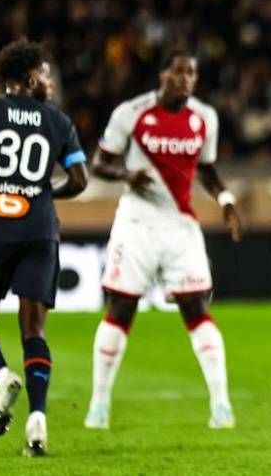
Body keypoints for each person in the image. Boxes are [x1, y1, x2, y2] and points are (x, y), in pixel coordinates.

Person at [83, 50, 242, 430]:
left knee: (196, 307)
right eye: (180, 71)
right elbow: (99, 163)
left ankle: (221, 405)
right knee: (121, 308)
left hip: (180, 226)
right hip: (136, 224)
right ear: (164, 75)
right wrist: (126, 175)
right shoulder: (131, 113)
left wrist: (226, 200)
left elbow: (206, 169)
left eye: (192, 73)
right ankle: (99, 403)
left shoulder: (205, 118)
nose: (187, 78)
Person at [0, 39, 89, 456]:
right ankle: (38, 421)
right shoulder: (58, 121)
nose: (51, 82)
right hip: (40, 233)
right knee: (34, 331)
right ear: (30, 79)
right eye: (46, 74)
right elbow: (80, 180)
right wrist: (44, 194)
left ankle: (1, 376)